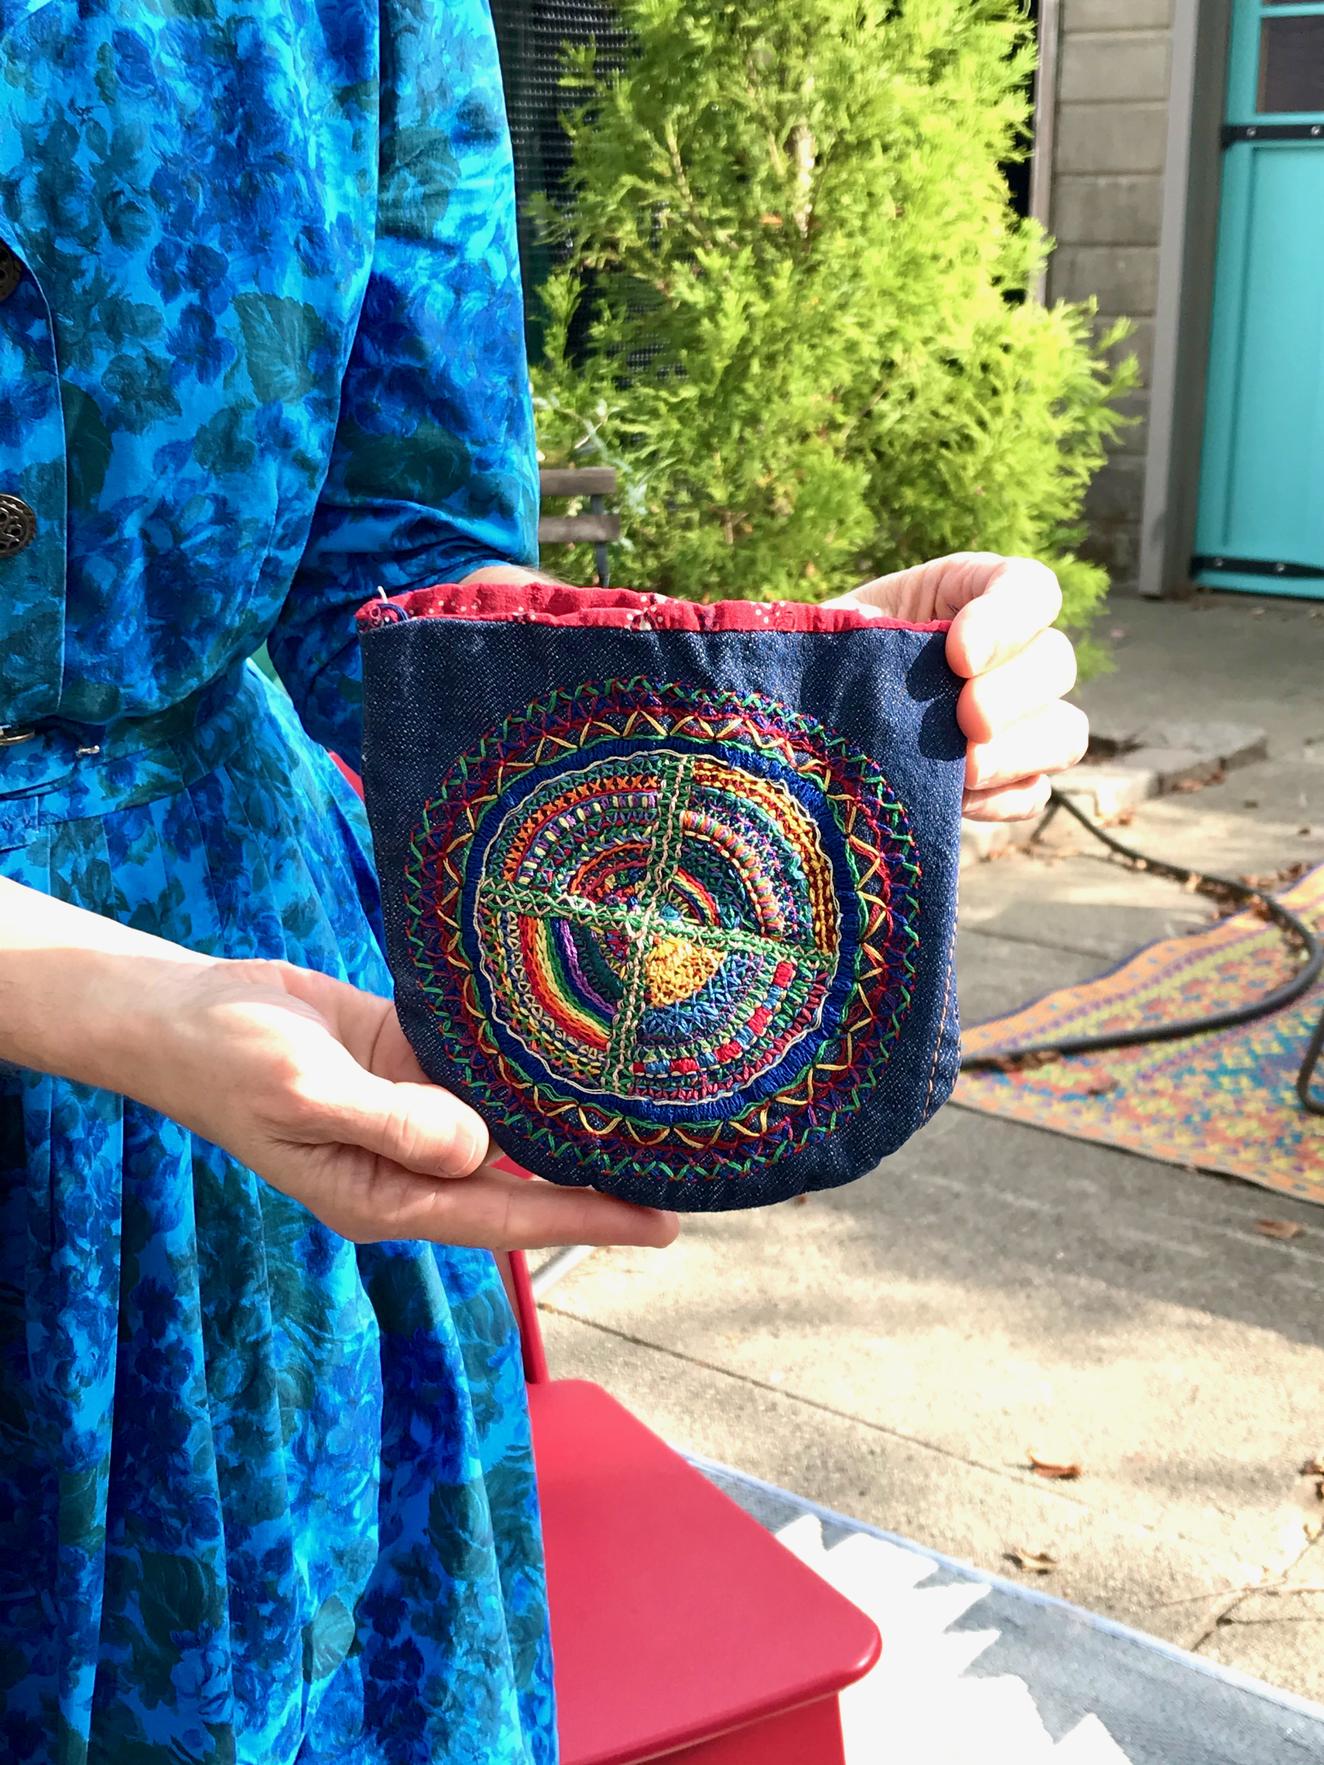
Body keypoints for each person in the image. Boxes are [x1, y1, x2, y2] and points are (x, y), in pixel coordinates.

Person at [0, 2, 1088, 1759]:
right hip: (216, 1025)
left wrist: (780, 729)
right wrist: (114, 998)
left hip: (247, 1120)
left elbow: (401, 576)